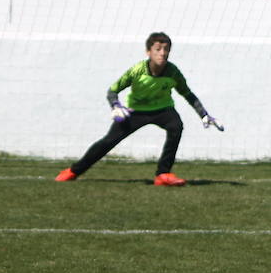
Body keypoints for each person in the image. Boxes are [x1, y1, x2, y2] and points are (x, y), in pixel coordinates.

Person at [55, 32, 222, 186]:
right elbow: (112, 91)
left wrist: (204, 114)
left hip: (163, 110)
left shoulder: (173, 72)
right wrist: (116, 106)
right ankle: (73, 171)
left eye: (166, 49)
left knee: (176, 126)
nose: (162, 53)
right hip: (136, 111)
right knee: (109, 141)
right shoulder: (137, 71)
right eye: (158, 49)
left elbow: (187, 93)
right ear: (148, 52)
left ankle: (163, 174)